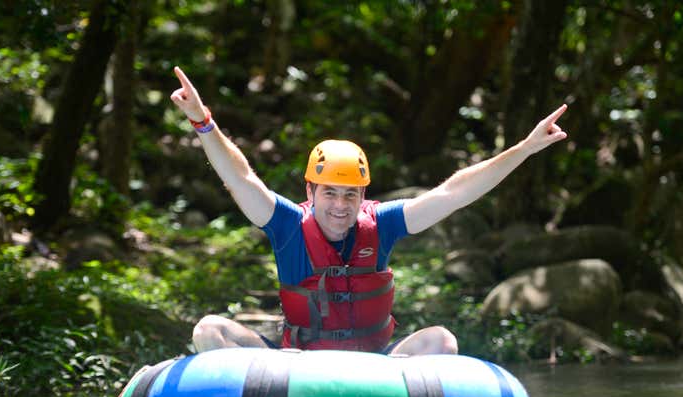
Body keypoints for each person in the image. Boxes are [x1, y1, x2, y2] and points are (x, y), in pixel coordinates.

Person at [170, 66, 567, 356]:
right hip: (297, 365)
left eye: (350, 195)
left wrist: (525, 149)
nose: (340, 206)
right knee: (209, 331)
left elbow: (455, 192)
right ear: (310, 190)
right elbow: (242, 179)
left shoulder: (385, 223)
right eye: (330, 193)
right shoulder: (287, 223)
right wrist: (202, 122)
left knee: (442, 340)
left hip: (375, 368)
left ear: (363, 195)